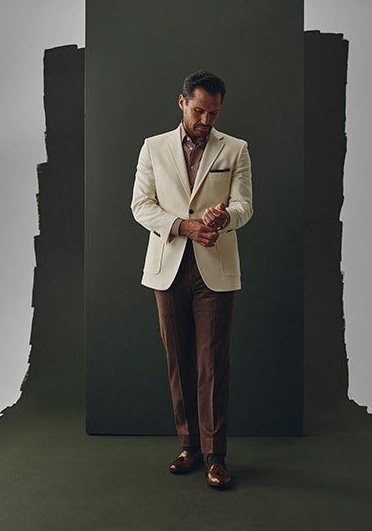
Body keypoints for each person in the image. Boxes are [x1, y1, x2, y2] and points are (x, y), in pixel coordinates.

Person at [131, 70, 253, 489]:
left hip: (215, 268)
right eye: (199, 111)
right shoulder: (153, 147)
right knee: (178, 361)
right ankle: (190, 446)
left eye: (213, 113)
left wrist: (224, 217)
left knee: (212, 363)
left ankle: (215, 456)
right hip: (168, 266)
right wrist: (185, 226)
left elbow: (244, 206)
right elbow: (141, 205)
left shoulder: (236, 149)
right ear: (182, 102)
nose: (205, 120)